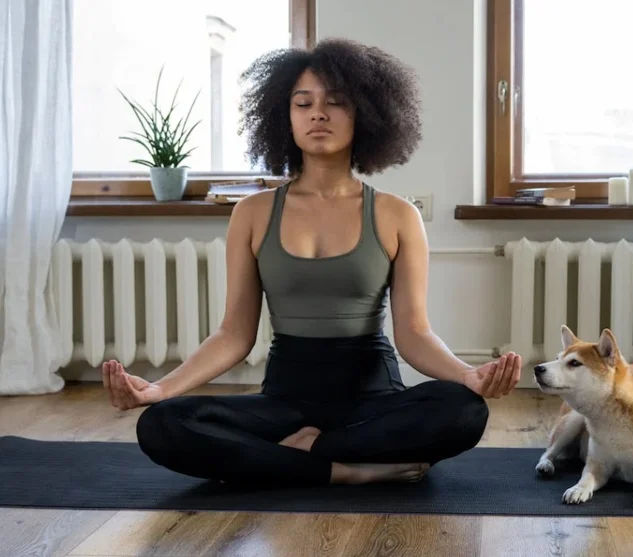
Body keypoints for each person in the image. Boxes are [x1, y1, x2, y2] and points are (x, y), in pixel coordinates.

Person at [100, 38, 522, 487]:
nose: (318, 113)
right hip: (284, 404)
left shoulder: (397, 215)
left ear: (366, 115)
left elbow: (414, 333)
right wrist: (162, 388)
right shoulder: (253, 213)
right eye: (303, 103)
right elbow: (234, 334)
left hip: (372, 400)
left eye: (336, 103)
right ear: (286, 117)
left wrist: (467, 376)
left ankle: (299, 457)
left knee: (463, 412)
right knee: (162, 425)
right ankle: (344, 469)